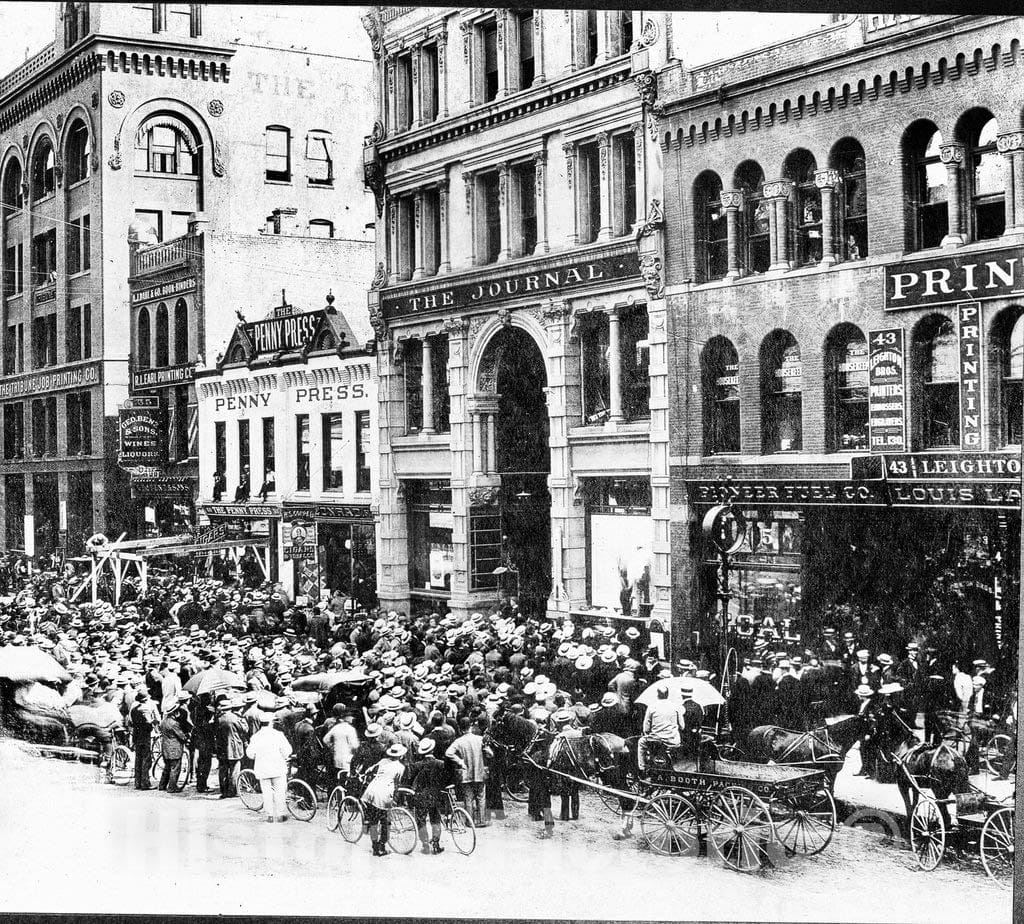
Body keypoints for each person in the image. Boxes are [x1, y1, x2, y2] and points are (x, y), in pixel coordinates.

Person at [362, 742, 409, 857]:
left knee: (374, 820)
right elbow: (397, 783)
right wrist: (395, 797)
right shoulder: (400, 767)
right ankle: (382, 846)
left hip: (372, 790)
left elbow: (369, 770)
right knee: (385, 821)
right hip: (384, 793)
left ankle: (374, 847)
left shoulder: (383, 761)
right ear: (401, 755)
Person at [246, 711, 293, 822]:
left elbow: (250, 754)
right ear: (271, 722)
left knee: (266, 792)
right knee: (280, 791)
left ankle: (270, 815)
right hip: (277, 767)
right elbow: (287, 751)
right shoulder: (278, 735)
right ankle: (281, 814)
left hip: (263, 769)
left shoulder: (255, 737)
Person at [445, 716, 490, 827]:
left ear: (460, 728)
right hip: (479, 771)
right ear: (470, 726)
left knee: (468, 798)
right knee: (481, 796)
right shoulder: (480, 739)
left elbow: (448, 753)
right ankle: (482, 820)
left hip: (466, 772)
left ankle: (469, 821)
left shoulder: (459, 741)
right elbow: (490, 753)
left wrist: (460, 761)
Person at [409, 737, 450, 854]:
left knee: (421, 820)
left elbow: (410, 780)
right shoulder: (440, 764)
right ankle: (436, 844)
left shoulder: (417, 765)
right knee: (435, 819)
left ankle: (425, 845)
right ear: (432, 750)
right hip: (435, 795)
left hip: (421, 796)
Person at [639, 682, 684, 772]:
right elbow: (682, 726)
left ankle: (642, 767)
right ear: (667, 695)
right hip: (672, 741)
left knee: (641, 742)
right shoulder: (675, 706)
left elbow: (646, 728)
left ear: (657, 695)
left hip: (656, 740)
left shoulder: (651, 707)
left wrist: (650, 732)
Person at [158, 694, 192, 793]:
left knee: (167, 767)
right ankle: (172, 787)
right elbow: (181, 735)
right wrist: (187, 738)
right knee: (175, 768)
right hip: (174, 747)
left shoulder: (164, 721)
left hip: (165, 747)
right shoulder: (174, 723)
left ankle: (162, 785)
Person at [216, 698, 247, 798]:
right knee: (235, 770)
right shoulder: (234, 718)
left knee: (223, 770)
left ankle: (224, 791)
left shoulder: (218, 718)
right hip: (234, 747)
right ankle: (233, 791)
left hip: (222, 748)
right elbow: (244, 729)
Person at [322, 708, 360, 786]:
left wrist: (332, 747)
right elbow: (355, 745)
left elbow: (325, 740)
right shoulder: (351, 729)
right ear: (348, 718)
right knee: (345, 781)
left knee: (336, 779)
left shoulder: (336, 727)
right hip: (347, 759)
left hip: (336, 758)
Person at [129, 690, 158, 790]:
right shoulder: (146, 709)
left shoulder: (134, 709)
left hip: (136, 736)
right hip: (145, 736)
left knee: (138, 759)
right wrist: (153, 722)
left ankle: (138, 782)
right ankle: (145, 783)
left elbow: (131, 722)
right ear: (146, 699)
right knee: (146, 759)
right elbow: (147, 723)